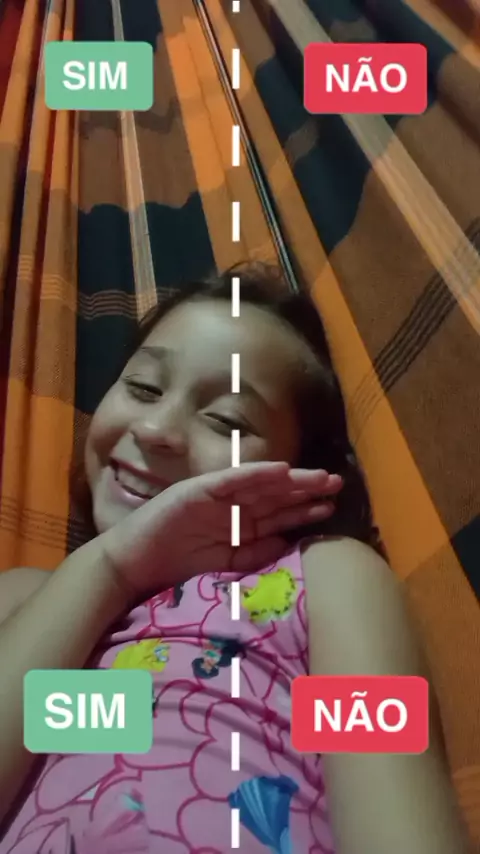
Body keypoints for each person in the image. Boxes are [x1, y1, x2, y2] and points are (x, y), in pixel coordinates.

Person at [0, 264, 468, 853]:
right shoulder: (29, 598)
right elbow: (104, 723)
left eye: (226, 420)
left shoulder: (323, 581)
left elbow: (396, 818)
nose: (156, 429)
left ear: (298, 474)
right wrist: (111, 567)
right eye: (143, 388)